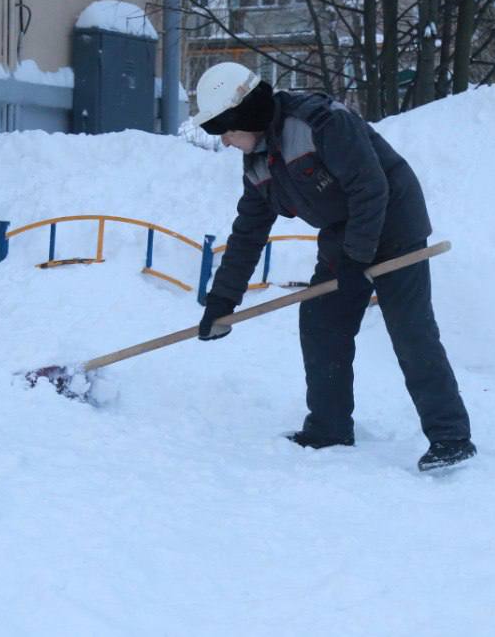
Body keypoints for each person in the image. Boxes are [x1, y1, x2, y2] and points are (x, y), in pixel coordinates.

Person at [191, 61, 475, 472]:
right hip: (345, 233)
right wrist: (222, 301)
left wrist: (357, 259)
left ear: (243, 115)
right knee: (322, 321)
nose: (227, 143)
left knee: (410, 329)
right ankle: (329, 427)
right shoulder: (258, 163)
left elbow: (371, 186)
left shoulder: (317, 122)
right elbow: (248, 233)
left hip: (395, 220)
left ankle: (451, 437)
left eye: (227, 132)